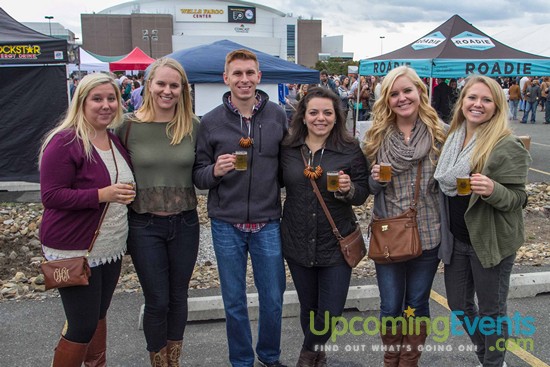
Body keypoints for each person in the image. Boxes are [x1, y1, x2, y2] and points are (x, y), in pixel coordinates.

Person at [193, 49, 287, 367]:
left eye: (250, 73)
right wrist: (215, 172)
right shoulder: (210, 122)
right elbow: (198, 175)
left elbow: (289, 166)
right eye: (237, 74)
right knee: (234, 301)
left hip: (268, 221)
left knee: (273, 299)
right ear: (226, 78)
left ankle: (270, 356)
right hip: (226, 222)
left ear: (259, 77)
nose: (244, 79)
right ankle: (242, 361)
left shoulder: (278, 115)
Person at [434, 75, 531, 367]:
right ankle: (486, 353)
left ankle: (492, 362)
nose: (478, 104)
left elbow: (519, 198)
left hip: (490, 242)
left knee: (491, 312)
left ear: (497, 106)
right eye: (472, 97)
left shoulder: (506, 144)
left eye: (486, 100)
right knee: (459, 306)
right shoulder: (452, 138)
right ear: (461, 101)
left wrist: (493, 190)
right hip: (457, 240)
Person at [39, 73, 135, 367]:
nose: (105, 105)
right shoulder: (65, 141)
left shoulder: (113, 139)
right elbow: (51, 196)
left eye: (111, 98)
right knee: (81, 326)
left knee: (97, 317)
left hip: (110, 249)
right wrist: (101, 194)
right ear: (81, 102)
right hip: (75, 250)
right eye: (97, 99)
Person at [116, 57, 200, 366]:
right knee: (157, 300)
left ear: (182, 90)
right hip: (144, 225)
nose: (167, 91)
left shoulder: (193, 125)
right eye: (161, 83)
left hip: (186, 223)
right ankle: (158, 362)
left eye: (173, 85)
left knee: (178, 297)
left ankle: (173, 361)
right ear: (149, 85)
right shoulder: (126, 125)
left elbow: (204, 170)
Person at [363, 65, 447, 366]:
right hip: (389, 236)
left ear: (420, 92)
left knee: (417, 303)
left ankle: (409, 361)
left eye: (407, 91)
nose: (401, 98)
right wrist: (375, 179)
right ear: (387, 100)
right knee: (389, 306)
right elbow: (369, 188)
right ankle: (391, 359)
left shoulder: (441, 134)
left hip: (429, 233)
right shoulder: (376, 137)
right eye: (394, 94)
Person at [280, 87, 370, 366]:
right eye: (314, 112)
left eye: (328, 113)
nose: (321, 118)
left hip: (336, 240)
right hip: (297, 238)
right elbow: (273, 183)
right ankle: (318, 353)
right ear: (304, 117)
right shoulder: (288, 149)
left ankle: (307, 356)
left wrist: (348, 188)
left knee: (330, 310)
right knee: (309, 308)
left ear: (337, 117)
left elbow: (363, 192)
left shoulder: (349, 149)